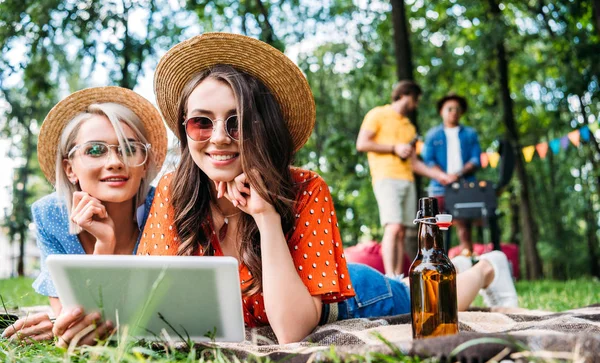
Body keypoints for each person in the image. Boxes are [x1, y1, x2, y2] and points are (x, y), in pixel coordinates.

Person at [139, 33, 518, 345]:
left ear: (263, 127)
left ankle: (486, 268)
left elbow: (291, 332)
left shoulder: (304, 188)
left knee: (434, 299)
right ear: (184, 129)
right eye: (201, 123)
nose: (219, 138)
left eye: (237, 122)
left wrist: (267, 219)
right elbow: (148, 301)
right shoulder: (174, 191)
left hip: (354, 298)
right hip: (321, 283)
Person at [2, 87, 168, 347]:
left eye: (128, 148)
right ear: (70, 169)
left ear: (144, 163)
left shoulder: (165, 207)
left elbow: (161, 310)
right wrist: (105, 244)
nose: (115, 161)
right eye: (95, 150)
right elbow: (78, 320)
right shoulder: (50, 215)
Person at [356, 81, 453, 277]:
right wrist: (394, 148)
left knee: (402, 232)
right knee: (393, 227)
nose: (416, 105)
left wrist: (440, 176)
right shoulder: (378, 114)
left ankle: (398, 278)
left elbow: (415, 163)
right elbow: (362, 143)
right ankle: (389, 276)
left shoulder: (410, 127)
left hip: (407, 180)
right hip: (386, 177)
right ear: (406, 95)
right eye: (416, 100)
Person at [422, 93, 482, 255]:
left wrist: (458, 174)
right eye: (449, 108)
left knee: (464, 225)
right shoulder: (433, 135)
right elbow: (428, 160)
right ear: (441, 111)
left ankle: (468, 255)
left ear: (461, 112)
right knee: (434, 225)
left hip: (464, 185)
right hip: (438, 187)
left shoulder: (470, 134)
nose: (453, 112)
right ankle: (434, 259)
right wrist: (443, 176)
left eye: (457, 109)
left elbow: (476, 159)